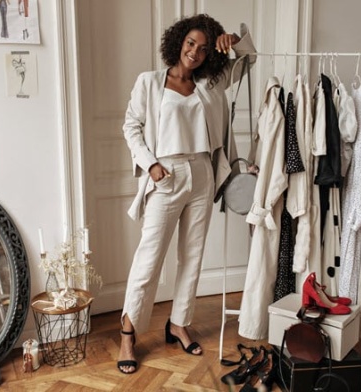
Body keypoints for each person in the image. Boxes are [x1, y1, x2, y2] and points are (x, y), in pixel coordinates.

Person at [118, 14, 256, 374]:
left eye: (204, 48)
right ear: (178, 41)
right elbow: (131, 126)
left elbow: (249, 57)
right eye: (191, 43)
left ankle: (178, 323)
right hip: (165, 174)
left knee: (192, 255)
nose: (194, 52)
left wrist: (232, 43)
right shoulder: (149, 82)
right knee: (150, 258)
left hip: (201, 173)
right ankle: (127, 333)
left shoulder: (211, 83)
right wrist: (149, 164)